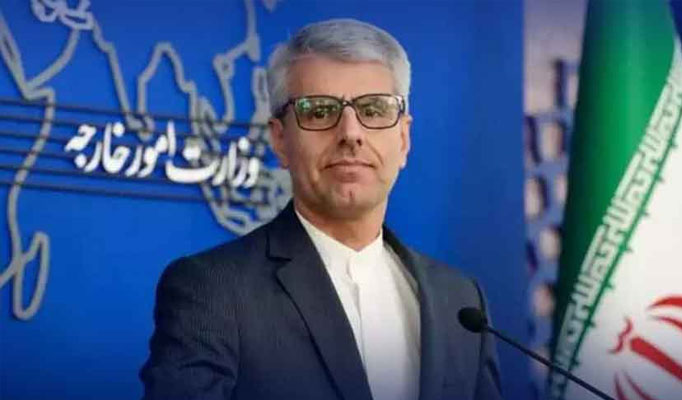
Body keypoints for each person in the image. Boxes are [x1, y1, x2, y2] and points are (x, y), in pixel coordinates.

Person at [140, 18, 502, 400]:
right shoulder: (214, 291)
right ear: (280, 140)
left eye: (374, 109)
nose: (351, 134)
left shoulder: (460, 301)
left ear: (404, 138)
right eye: (319, 111)